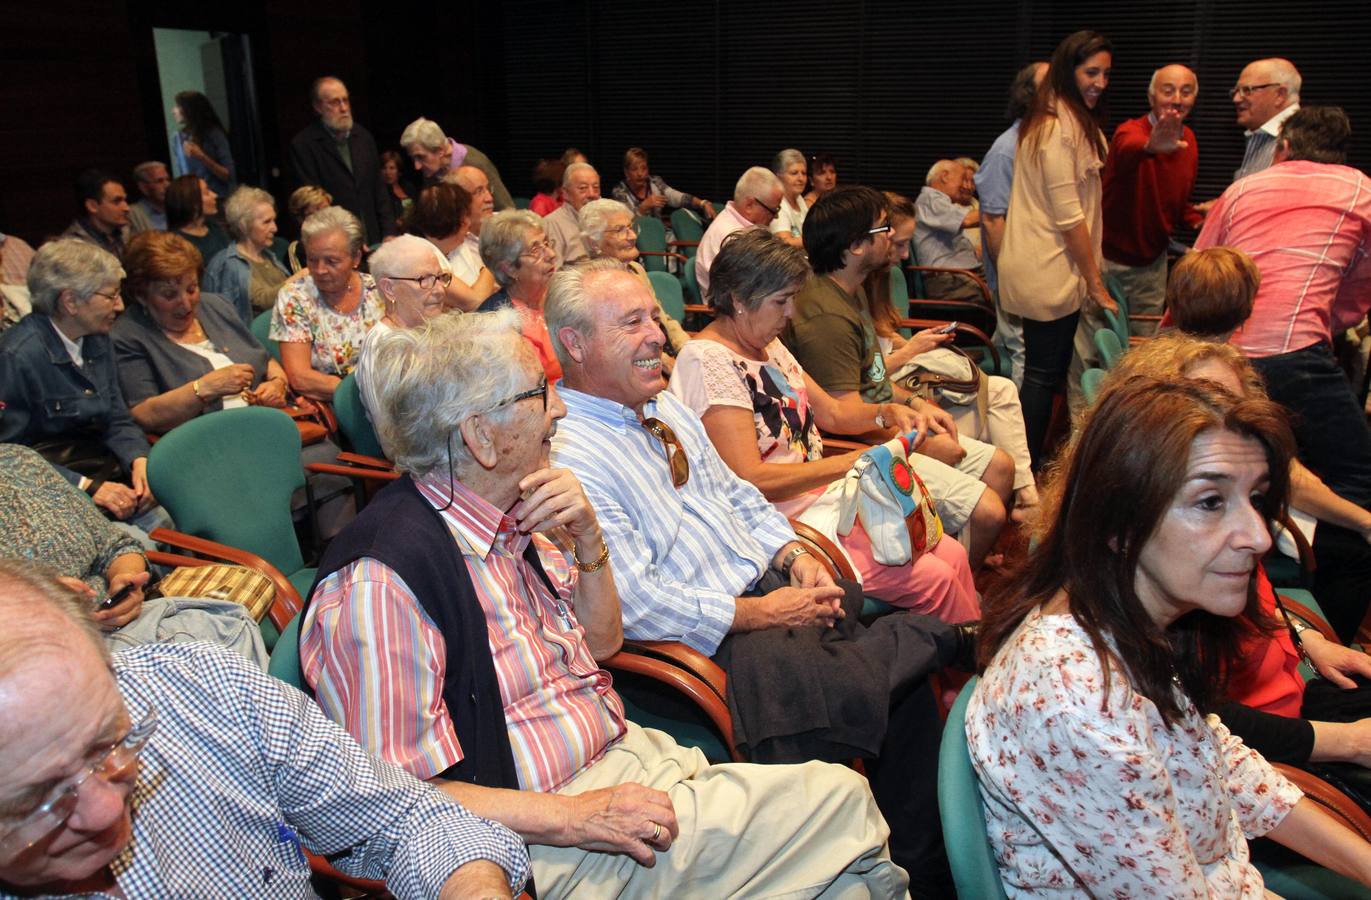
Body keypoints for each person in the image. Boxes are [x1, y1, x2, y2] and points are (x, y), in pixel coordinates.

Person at [301, 311, 909, 899]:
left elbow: (602, 644)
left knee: (844, 882)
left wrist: (590, 543)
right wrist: (574, 817)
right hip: (548, 837)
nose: (560, 409)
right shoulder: (381, 583)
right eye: (539, 394)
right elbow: (394, 794)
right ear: (480, 436)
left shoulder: (519, 515)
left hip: (632, 762)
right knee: (843, 802)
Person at [548, 260, 977, 892]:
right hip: (709, 640)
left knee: (897, 691)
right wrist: (758, 613)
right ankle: (933, 643)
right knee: (875, 673)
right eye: (631, 322)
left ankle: (923, 864)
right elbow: (633, 604)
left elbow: (741, 496)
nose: (657, 336)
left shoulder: (664, 405)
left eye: (652, 317)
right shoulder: (570, 452)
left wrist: (792, 557)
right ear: (575, 344)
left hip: (766, 595)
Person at [967, 375, 1371, 896]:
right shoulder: (1076, 698)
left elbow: (1218, 762)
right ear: (1118, 520)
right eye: (1209, 502)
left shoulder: (1127, 625)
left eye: (1255, 498)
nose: (1255, 535)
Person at [0, 560, 531, 898]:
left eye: (111, 741)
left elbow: (408, 817)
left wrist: (472, 884)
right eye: (37, 801)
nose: (106, 808)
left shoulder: (197, 684)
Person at [1097, 335, 1371, 782]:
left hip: (1295, 700)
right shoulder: (1157, 575)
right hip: (1278, 747)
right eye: (1203, 401)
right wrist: (1352, 743)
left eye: (1232, 401)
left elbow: (1259, 600)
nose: (1259, 538)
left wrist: (1305, 639)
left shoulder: (1219, 525)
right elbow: (1207, 728)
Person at [671, 229, 978, 622]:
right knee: (935, 579)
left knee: (952, 553)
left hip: (821, 502)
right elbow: (751, 480)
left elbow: (831, 412)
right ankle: (965, 677)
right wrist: (857, 461)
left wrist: (884, 413)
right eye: (781, 301)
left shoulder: (767, 343)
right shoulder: (708, 361)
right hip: (777, 526)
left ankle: (964, 674)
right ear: (738, 301)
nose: (791, 313)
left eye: (792, 299)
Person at [782, 186, 1013, 568]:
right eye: (883, 229)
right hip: (863, 450)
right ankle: (948, 594)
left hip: (883, 429)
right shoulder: (827, 317)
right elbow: (843, 416)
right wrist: (914, 444)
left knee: (1000, 466)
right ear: (856, 246)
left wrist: (916, 403)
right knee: (989, 512)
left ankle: (956, 564)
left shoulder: (850, 292)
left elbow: (874, 379)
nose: (892, 235)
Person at [1193, 107, 1371, 512]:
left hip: (1221, 353)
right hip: (1295, 354)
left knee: (1245, 462)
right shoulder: (1360, 189)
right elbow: (1363, 284)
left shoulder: (1242, 188)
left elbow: (1199, 268)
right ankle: (1331, 571)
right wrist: (1328, 319)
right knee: (1357, 474)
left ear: (1284, 147)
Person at [0, 445, 265, 663]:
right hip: (45, 654)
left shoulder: (19, 461)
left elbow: (115, 544)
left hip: (118, 620)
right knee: (224, 648)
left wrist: (126, 580)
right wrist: (34, 599)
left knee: (230, 621)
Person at [869, 192, 1037, 518]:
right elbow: (868, 375)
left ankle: (1022, 495)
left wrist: (912, 345)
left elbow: (882, 339)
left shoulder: (877, 281)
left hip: (894, 378)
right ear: (877, 239)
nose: (904, 255)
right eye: (899, 244)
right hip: (884, 395)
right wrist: (910, 352)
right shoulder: (848, 296)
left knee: (1000, 390)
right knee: (992, 404)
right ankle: (1015, 500)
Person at [997, 30, 1118, 468]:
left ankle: (1037, 457)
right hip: (1046, 267)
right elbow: (1070, 218)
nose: (1100, 82)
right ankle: (1026, 467)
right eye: (1091, 72)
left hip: (1053, 266)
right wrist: (1096, 282)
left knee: (1048, 372)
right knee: (1042, 375)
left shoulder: (1067, 120)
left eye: (1106, 73)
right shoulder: (1053, 128)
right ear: (1069, 71)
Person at [0, 240, 154, 525]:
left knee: (172, 512)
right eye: (110, 296)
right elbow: (8, 457)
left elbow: (117, 418)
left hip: (108, 471)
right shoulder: (15, 357)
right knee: (141, 539)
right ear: (70, 301)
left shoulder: (97, 338)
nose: (120, 306)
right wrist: (86, 487)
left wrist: (139, 460)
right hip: (52, 496)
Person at [1100, 64, 1202, 337]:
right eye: (1168, 91)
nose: (1177, 99)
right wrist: (1149, 147)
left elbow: (1174, 203)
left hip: (1153, 265)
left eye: (1186, 91)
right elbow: (1126, 147)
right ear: (1151, 97)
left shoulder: (1189, 141)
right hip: (1108, 261)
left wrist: (1203, 217)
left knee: (1145, 345)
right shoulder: (1131, 132)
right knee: (1096, 345)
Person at [976, 62, 1048, 387]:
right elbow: (993, 222)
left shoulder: (1042, 144)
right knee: (1024, 356)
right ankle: (1021, 431)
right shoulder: (1007, 150)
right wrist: (1011, 280)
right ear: (1030, 95)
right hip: (1016, 278)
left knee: (1024, 353)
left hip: (1040, 275)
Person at [270, 206, 384, 401]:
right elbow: (299, 377)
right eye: (312, 260)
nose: (320, 270)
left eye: (331, 261)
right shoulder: (295, 297)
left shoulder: (378, 289)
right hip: (337, 401)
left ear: (356, 258)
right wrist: (362, 392)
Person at [578, 197, 690, 368]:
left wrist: (686, 347)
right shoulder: (591, 284)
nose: (632, 236)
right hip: (635, 364)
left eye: (630, 227)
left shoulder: (635, 269)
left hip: (662, 351)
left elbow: (661, 317)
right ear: (593, 242)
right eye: (620, 230)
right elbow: (620, 343)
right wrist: (666, 362)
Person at [288, 76, 395, 246]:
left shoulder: (363, 138)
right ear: (318, 107)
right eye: (334, 102)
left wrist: (389, 232)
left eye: (345, 100)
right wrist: (348, 236)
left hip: (374, 239)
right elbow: (313, 202)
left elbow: (379, 189)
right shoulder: (304, 145)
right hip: (336, 241)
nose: (344, 108)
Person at [354, 234, 451, 414]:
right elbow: (389, 433)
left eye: (440, 277)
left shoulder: (436, 328)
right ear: (389, 289)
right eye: (424, 280)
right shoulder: (380, 347)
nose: (439, 290)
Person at [476, 210, 562, 381]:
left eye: (546, 243)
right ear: (509, 269)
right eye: (535, 250)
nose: (552, 255)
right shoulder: (494, 322)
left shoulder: (560, 298)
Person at [203, 186, 290, 324]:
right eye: (267, 222)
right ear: (244, 226)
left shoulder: (268, 256)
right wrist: (298, 279)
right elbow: (262, 300)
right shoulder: (230, 264)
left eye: (274, 221)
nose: (275, 228)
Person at [405, 181, 497, 311]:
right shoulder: (418, 256)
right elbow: (475, 302)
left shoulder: (446, 248)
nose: (468, 223)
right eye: (465, 216)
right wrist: (492, 261)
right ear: (450, 221)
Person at [695, 167, 783, 300]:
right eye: (773, 210)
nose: (776, 217)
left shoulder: (749, 227)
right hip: (731, 311)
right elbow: (748, 289)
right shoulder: (730, 236)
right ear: (749, 205)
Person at [399, 116, 514, 209]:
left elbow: (506, 210)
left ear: (440, 151)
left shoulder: (476, 163)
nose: (417, 166)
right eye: (413, 158)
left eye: (420, 157)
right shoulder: (432, 170)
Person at [913, 160, 983, 299]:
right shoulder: (930, 199)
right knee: (1006, 297)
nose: (966, 186)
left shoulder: (943, 202)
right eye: (963, 179)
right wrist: (1006, 210)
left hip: (961, 276)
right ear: (944, 176)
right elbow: (967, 219)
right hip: (948, 281)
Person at [1231, 58, 1302, 182]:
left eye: (1247, 90)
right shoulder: (1262, 134)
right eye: (1236, 91)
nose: (1236, 99)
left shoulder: (1304, 137)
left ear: (1280, 95)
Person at [610, 147, 714, 227]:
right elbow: (626, 224)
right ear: (626, 172)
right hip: (635, 237)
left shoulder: (655, 182)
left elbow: (676, 197)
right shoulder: (620, 192)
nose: (640, 174)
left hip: (658, 233)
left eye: (644, 168)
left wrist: (702, 203)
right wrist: (643, 207)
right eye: (634, 169)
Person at [170, 90, 235, 199]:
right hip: (193, 201)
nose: (173, 110)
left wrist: (202, 157)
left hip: (218, 198)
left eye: (178, 106)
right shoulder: (177, 138)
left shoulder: (214, 134)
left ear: (189, 109)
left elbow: (228, 175)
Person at [61, 169, 130, 262]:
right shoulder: (72, 247)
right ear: (92, 206)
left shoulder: (127, 231)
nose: (126, 208)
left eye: (125, 200)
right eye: (117, 201)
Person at [542, 162, 601, 267]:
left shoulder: (605, 219)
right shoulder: (553, 223)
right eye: (583, 188)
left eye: (596, 187)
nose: (592, 194)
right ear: (565, 193)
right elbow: (554, 273)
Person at [165, 174, 231, 264]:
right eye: (207, 192)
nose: (215, 195)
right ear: (192, 202)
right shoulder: (176, 242)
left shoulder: (214, 227)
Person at [284, 185, 333, 273]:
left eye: (326, 210)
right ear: (301, 219)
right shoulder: (298, 249)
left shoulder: (345, 238)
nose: (324, 216)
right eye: (314, 213)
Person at [768, 149, 807, 248]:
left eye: (804, 173)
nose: (801, 178)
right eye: (794, 173)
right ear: (778, 177)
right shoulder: (777, 204)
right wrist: (817, 240)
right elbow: (784, 243)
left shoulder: (799, 199)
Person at [126, 161, 170, 235]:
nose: (167, 185)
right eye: (159, 181)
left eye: (168, 179)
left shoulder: (176, 209)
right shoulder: (132, 214)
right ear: (144, 187)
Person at [380, 149, 413, 233]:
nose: (388, 172)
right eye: (384, 168)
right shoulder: (381, 192)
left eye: (392, 168)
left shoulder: (408, 187)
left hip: (413, 231)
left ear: (398, 171)